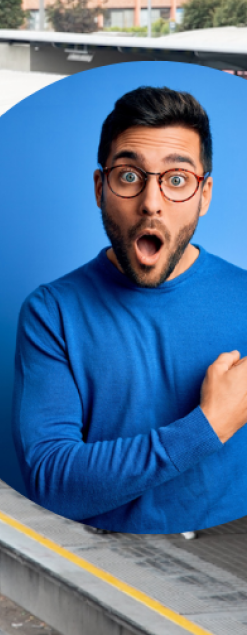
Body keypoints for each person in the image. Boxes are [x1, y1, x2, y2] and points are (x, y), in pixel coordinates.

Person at [13, 86, 247, 534]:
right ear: (100, 188)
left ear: (205, 194)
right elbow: (50, 482)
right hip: (105, 563)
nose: (151, 203)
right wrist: (209, 426)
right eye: (128, 176)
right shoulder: (52, 313)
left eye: (177, 180)